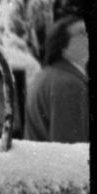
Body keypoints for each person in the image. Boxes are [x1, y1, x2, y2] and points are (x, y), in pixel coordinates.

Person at [27, 14, 87, 143]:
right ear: (64, 46)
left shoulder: (48, 75)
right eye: (82, 33)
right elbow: (70, 148)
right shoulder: (69, 84)